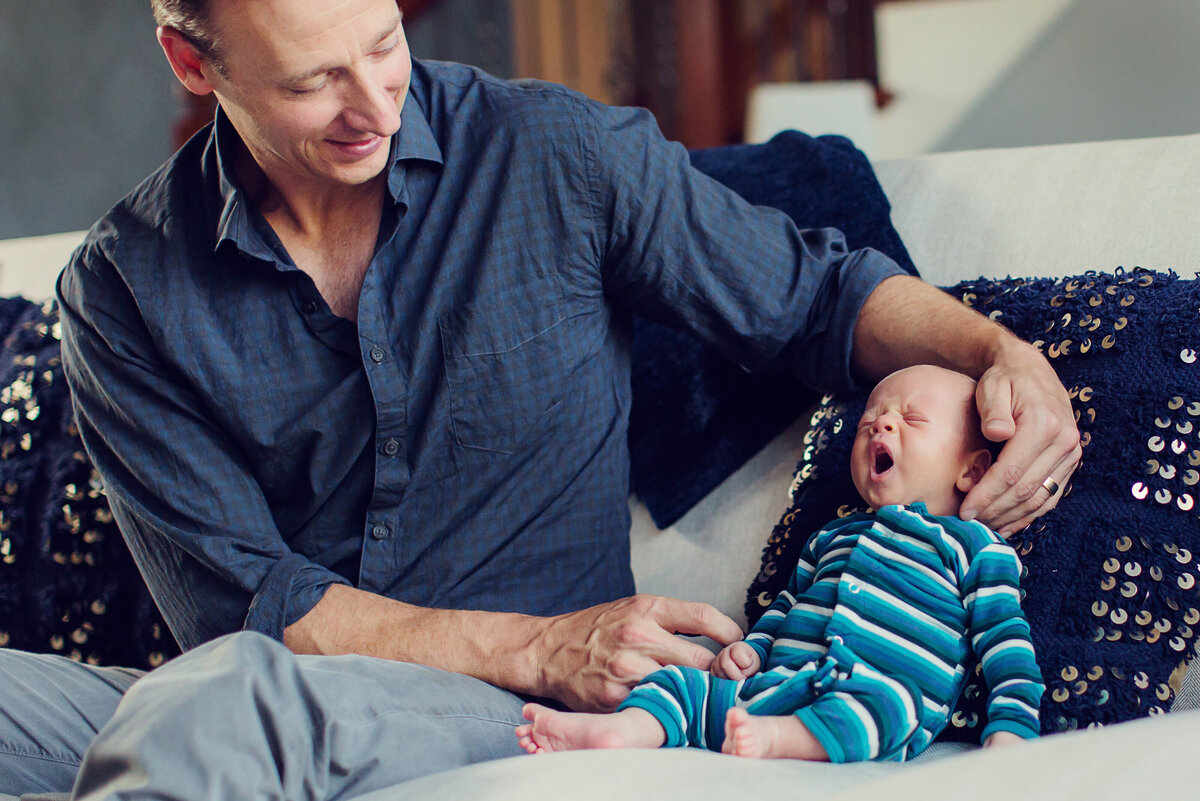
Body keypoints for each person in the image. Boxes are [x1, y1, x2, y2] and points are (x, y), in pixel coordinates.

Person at [0, 0, 1078, 796]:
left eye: (385, 46)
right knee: (191, 701)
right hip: (283, 676)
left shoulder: (551, 152)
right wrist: (532, 642)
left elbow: (816, 299)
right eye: (310, 82)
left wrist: (999, 351)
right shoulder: (121, 289)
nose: (375, 102)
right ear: (193, 60)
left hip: (518, 713)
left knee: (220, 711)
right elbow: (249, 606)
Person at [516, 365, 1045, 761]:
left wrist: (1011, 729)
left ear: (972, 473)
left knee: (892, 704)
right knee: (683, 684)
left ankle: (778, 740)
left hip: (873, 698)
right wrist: (751, 651)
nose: (881, 426)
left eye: (910, 419)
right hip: (777, 687)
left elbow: (1006, 644)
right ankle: (619, 733)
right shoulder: (831, 537)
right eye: (870, 421)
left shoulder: (974, 547)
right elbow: (785, 609)